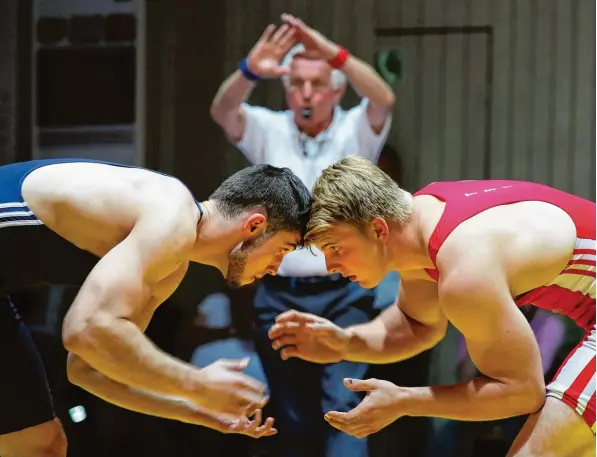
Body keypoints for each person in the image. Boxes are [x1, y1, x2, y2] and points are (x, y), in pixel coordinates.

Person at [269, 156, 596, 457]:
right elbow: (417, 324)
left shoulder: (465, 269)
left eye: (335, 247)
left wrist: (403, 401)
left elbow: (521, 392)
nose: (330, 265)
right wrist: (345, 342)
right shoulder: (421, 218)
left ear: (378, 229)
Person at [0, 157, 310, 456]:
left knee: (38, 446)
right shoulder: (172, 212)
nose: (275, 268)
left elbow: (88, 369)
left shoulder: (172, 267)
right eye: (281, 250)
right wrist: (197, 384)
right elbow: (85, 331)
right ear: (255, 226)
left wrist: (200, 411)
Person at [210, 13, 395, 457]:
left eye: (317, 83)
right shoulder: (269, 128)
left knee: (345, 405)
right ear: (286, 88)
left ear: (336, 89)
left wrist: (332, 52)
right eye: (296, 83)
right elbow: (222, 110)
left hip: (344, 292)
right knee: (288, 414)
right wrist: (251, 70)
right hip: (278, 290)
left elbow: (384, 98)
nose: (306, 93)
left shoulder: (354, 129)